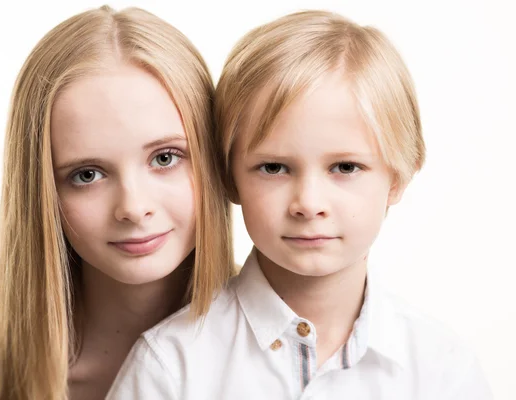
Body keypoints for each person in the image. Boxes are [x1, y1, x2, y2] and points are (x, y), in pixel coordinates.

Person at [108, 10, 492, 399]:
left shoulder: (441, 368)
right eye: (274, 167)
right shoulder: (171, 366)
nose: (308, 204)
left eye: (345, 167)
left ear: (399, 176)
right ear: (228, 177)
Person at [0, 5, 233, 399]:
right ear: (42, 194)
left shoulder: (286, 353)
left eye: (165, 158)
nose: (133, 206)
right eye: (87, 174)